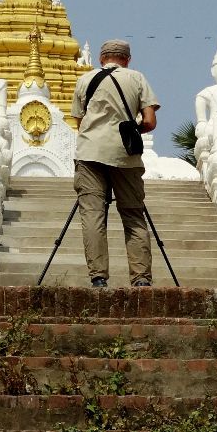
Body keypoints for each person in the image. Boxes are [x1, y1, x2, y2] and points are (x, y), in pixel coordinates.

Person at [70, 39, 160, 288]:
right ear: (128, 59)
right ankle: (141, 278)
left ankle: (98, 277)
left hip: (89, 153)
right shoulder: (136, 78)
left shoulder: (84, 80)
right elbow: (150, 121)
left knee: (93, 215)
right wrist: (133, 131)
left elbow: (79, 122)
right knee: (132, 214)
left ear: (101, 58)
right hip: (125, 155)